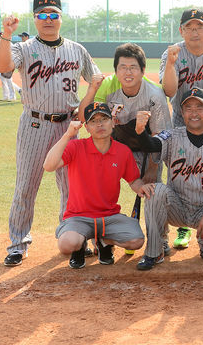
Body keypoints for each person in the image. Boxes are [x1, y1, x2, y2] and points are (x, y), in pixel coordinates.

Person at [0, 0, 100, 267]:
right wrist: (7, 34)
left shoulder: (77, 50)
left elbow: (96, 79)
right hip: (35, 124)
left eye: (54, 14)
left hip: (68, 125)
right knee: (26, 186)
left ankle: (73, 238)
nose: (48, 19)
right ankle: (18, 244)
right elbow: (3, 66)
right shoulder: (24, 48)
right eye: (42, 15)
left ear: (61, 18)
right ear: (35, 19)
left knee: (71, 188)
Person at [79, 42, 174, 253]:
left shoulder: (155, 95)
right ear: (116, 70)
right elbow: (90, 122)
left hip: (146, 148)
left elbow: (161, 137)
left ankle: (160, 238)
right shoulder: (109, 90)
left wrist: (151, 169)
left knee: (153, 190)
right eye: (122, 67)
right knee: (100, 188)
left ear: (143, 70)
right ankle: (102, 239)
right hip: (117, 147)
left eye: (133, 67)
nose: (128, 72)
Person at [134, 88, 203, 269]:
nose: (194, 113)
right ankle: (154, 251)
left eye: (199, 107)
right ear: (182, 113)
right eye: (188, 108)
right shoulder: (172, 136)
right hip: (177, 205)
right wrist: (140, 132)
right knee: (156, 191)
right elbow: (151, 145)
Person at [44, 103, 153, 269]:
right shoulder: (76, 146)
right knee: (67, 244)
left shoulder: (123, 151)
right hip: (79, 216)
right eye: (93, 121)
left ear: (113, 122)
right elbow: (48, 166)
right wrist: (67, 135)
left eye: (104, 119)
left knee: (136, 241)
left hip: (109, 216)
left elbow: (133, 181)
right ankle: (79, 247)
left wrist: (141, 187)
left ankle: (103, 241)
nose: (99, 124)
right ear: (87, 127)